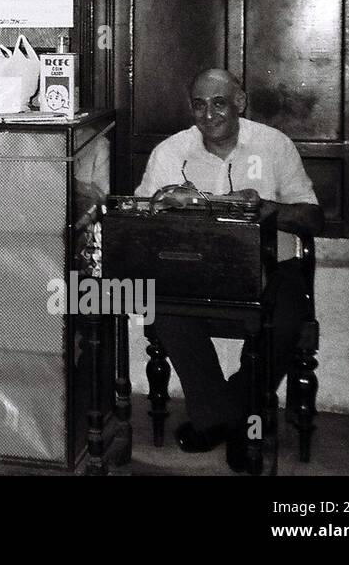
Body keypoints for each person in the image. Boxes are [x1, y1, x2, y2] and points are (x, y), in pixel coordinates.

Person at [135, 68, 323, 472]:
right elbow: (141, 215)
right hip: (196, 271)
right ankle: (236, 420)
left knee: (287, 318)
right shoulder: (170, 152)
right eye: (199, 105)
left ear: (240, 102)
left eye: (219, 103)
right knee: (160, 305)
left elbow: (312, 217)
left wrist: (267, 209)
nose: (209, 114)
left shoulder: (273, 145)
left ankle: (221, 418)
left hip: (272, 267)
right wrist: (166, 205)